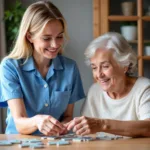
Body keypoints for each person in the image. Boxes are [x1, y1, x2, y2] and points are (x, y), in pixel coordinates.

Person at [0, 1, 85, 135]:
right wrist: (38, 121)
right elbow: (19, 122)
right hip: (18, 144)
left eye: (59, 36)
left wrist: (62, 127)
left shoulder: (70, 68)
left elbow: (68, 116)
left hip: (56, 144)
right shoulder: (10, 67)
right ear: (29, 37)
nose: (55, 44)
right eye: (46, 38)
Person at [66, 32, 150, 137]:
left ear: (125, 65)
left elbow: (148, 127)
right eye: (94, 68)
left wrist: (102, 125)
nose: (99, 75)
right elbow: (87, 134)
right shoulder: (95, 91)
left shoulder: (144, 88)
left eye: (105, 66)